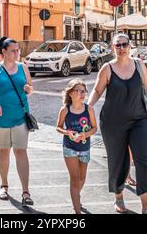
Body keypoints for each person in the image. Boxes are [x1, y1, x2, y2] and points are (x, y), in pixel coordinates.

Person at [88, 33, 147, 215]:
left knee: (143, 161)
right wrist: (87, 107)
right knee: (117, 162)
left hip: (139, 120)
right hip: (113, 124)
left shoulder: (138, 65)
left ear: (130, 46)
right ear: (113, 48)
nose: (121, 48)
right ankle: (118, 196)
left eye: (124, 44)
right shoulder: (107, 68)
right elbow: (97, 90)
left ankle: (146, 205)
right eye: (117, 45)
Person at [0, 37, 34, 206]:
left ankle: (26, 191)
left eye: (18, 50)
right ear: (4, 52)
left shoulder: (23, 68)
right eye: (13, 50)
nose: (17, 53)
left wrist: (29, 90)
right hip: (0, 118)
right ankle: (4, 185)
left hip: (20, 116)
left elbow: (30, 87)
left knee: (21, 151)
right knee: (4, 151)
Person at [57, 79, 97, 214]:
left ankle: (76, 197)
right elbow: (58, 127)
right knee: (75, 179)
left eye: (84, 91)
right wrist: (67, 132)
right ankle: (77, 210)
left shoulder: (89, 109)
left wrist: (85, 135)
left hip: (84, 148)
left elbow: (94, 128)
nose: (82, 93)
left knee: (82, 178)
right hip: (69, 147)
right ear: (70, 93)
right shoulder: (65, 110)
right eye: (78, 90)